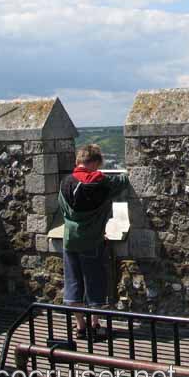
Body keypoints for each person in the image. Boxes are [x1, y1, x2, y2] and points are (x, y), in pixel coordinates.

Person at [59, 144, 127, 340]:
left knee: (73, 285)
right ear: (95, 162)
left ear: (79, 161)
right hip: (92, 241)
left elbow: (63, 209)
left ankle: (80, 327)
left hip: (70, 240)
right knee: (94, 283)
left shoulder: (66, 183)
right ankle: (95, 325)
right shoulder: (102, 183)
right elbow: (122, 181)